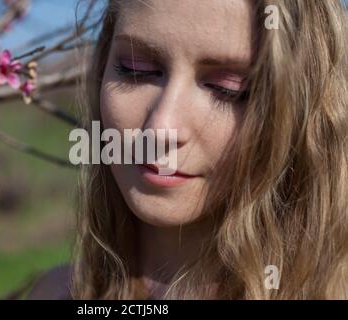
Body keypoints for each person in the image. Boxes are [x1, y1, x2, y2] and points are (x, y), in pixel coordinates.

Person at [28, 0, 348, 299]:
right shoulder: (57, 291)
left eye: (227, 89)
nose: (161, 128)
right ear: (102, 67)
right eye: (136, 69)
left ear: (301, 112)